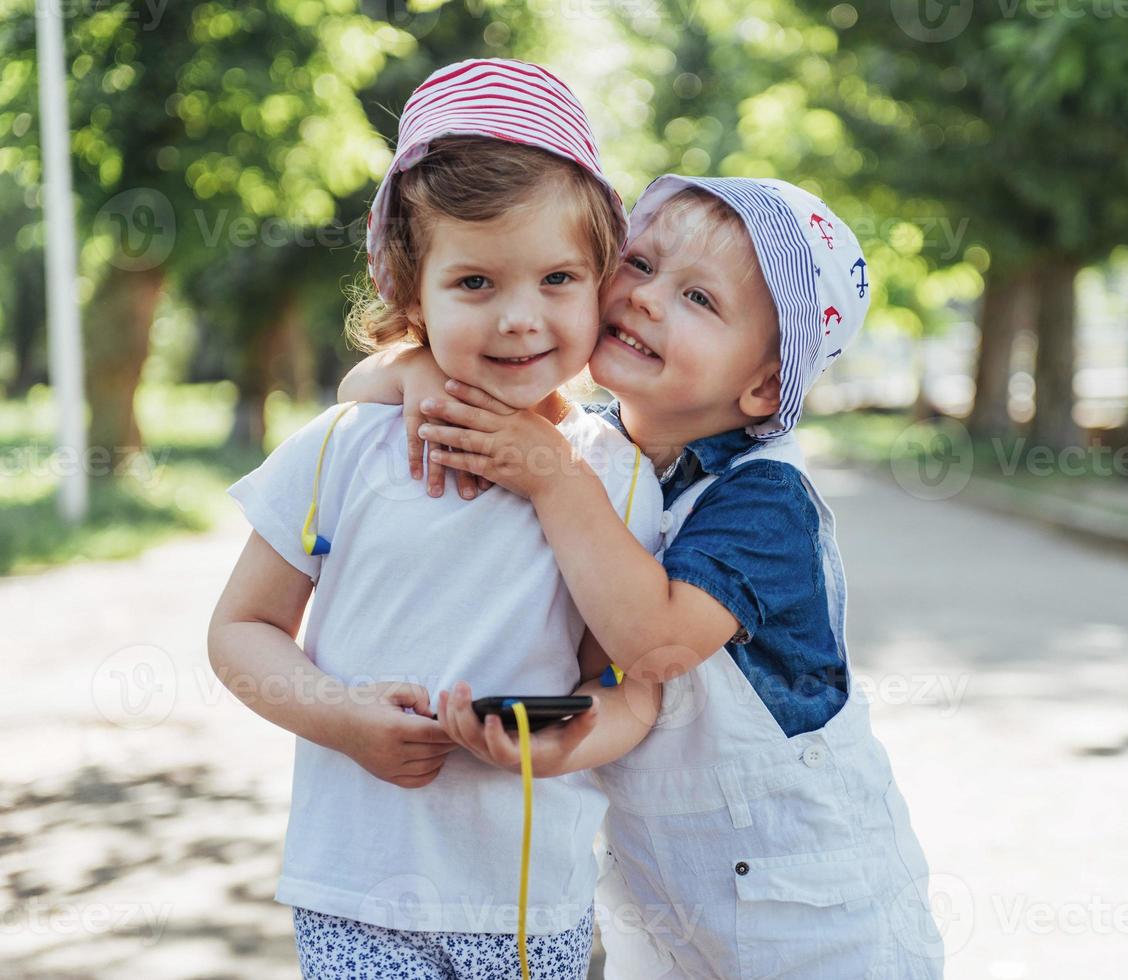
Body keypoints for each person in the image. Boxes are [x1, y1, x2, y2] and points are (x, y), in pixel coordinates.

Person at [340, 176, 946, 978]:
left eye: (699, 298)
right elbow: (358, 392)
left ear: (763, 384)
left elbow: (652, 644)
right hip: (658, 901)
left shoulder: (764, 500)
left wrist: (554, 479)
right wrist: (424, 377)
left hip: (815, 911)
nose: (649, 300)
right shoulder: (589, 441)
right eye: (640, 263)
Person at [206, 59, 663, 980]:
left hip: (525, 897)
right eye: (475, 284)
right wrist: (340, 716)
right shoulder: (344, 447)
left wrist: (572, 738)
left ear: (602, 279)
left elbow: (629, 679)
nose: (519, 320)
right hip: (355, 892)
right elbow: (239, 631)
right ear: (411, 293)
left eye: (557, 278)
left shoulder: (616, 478)